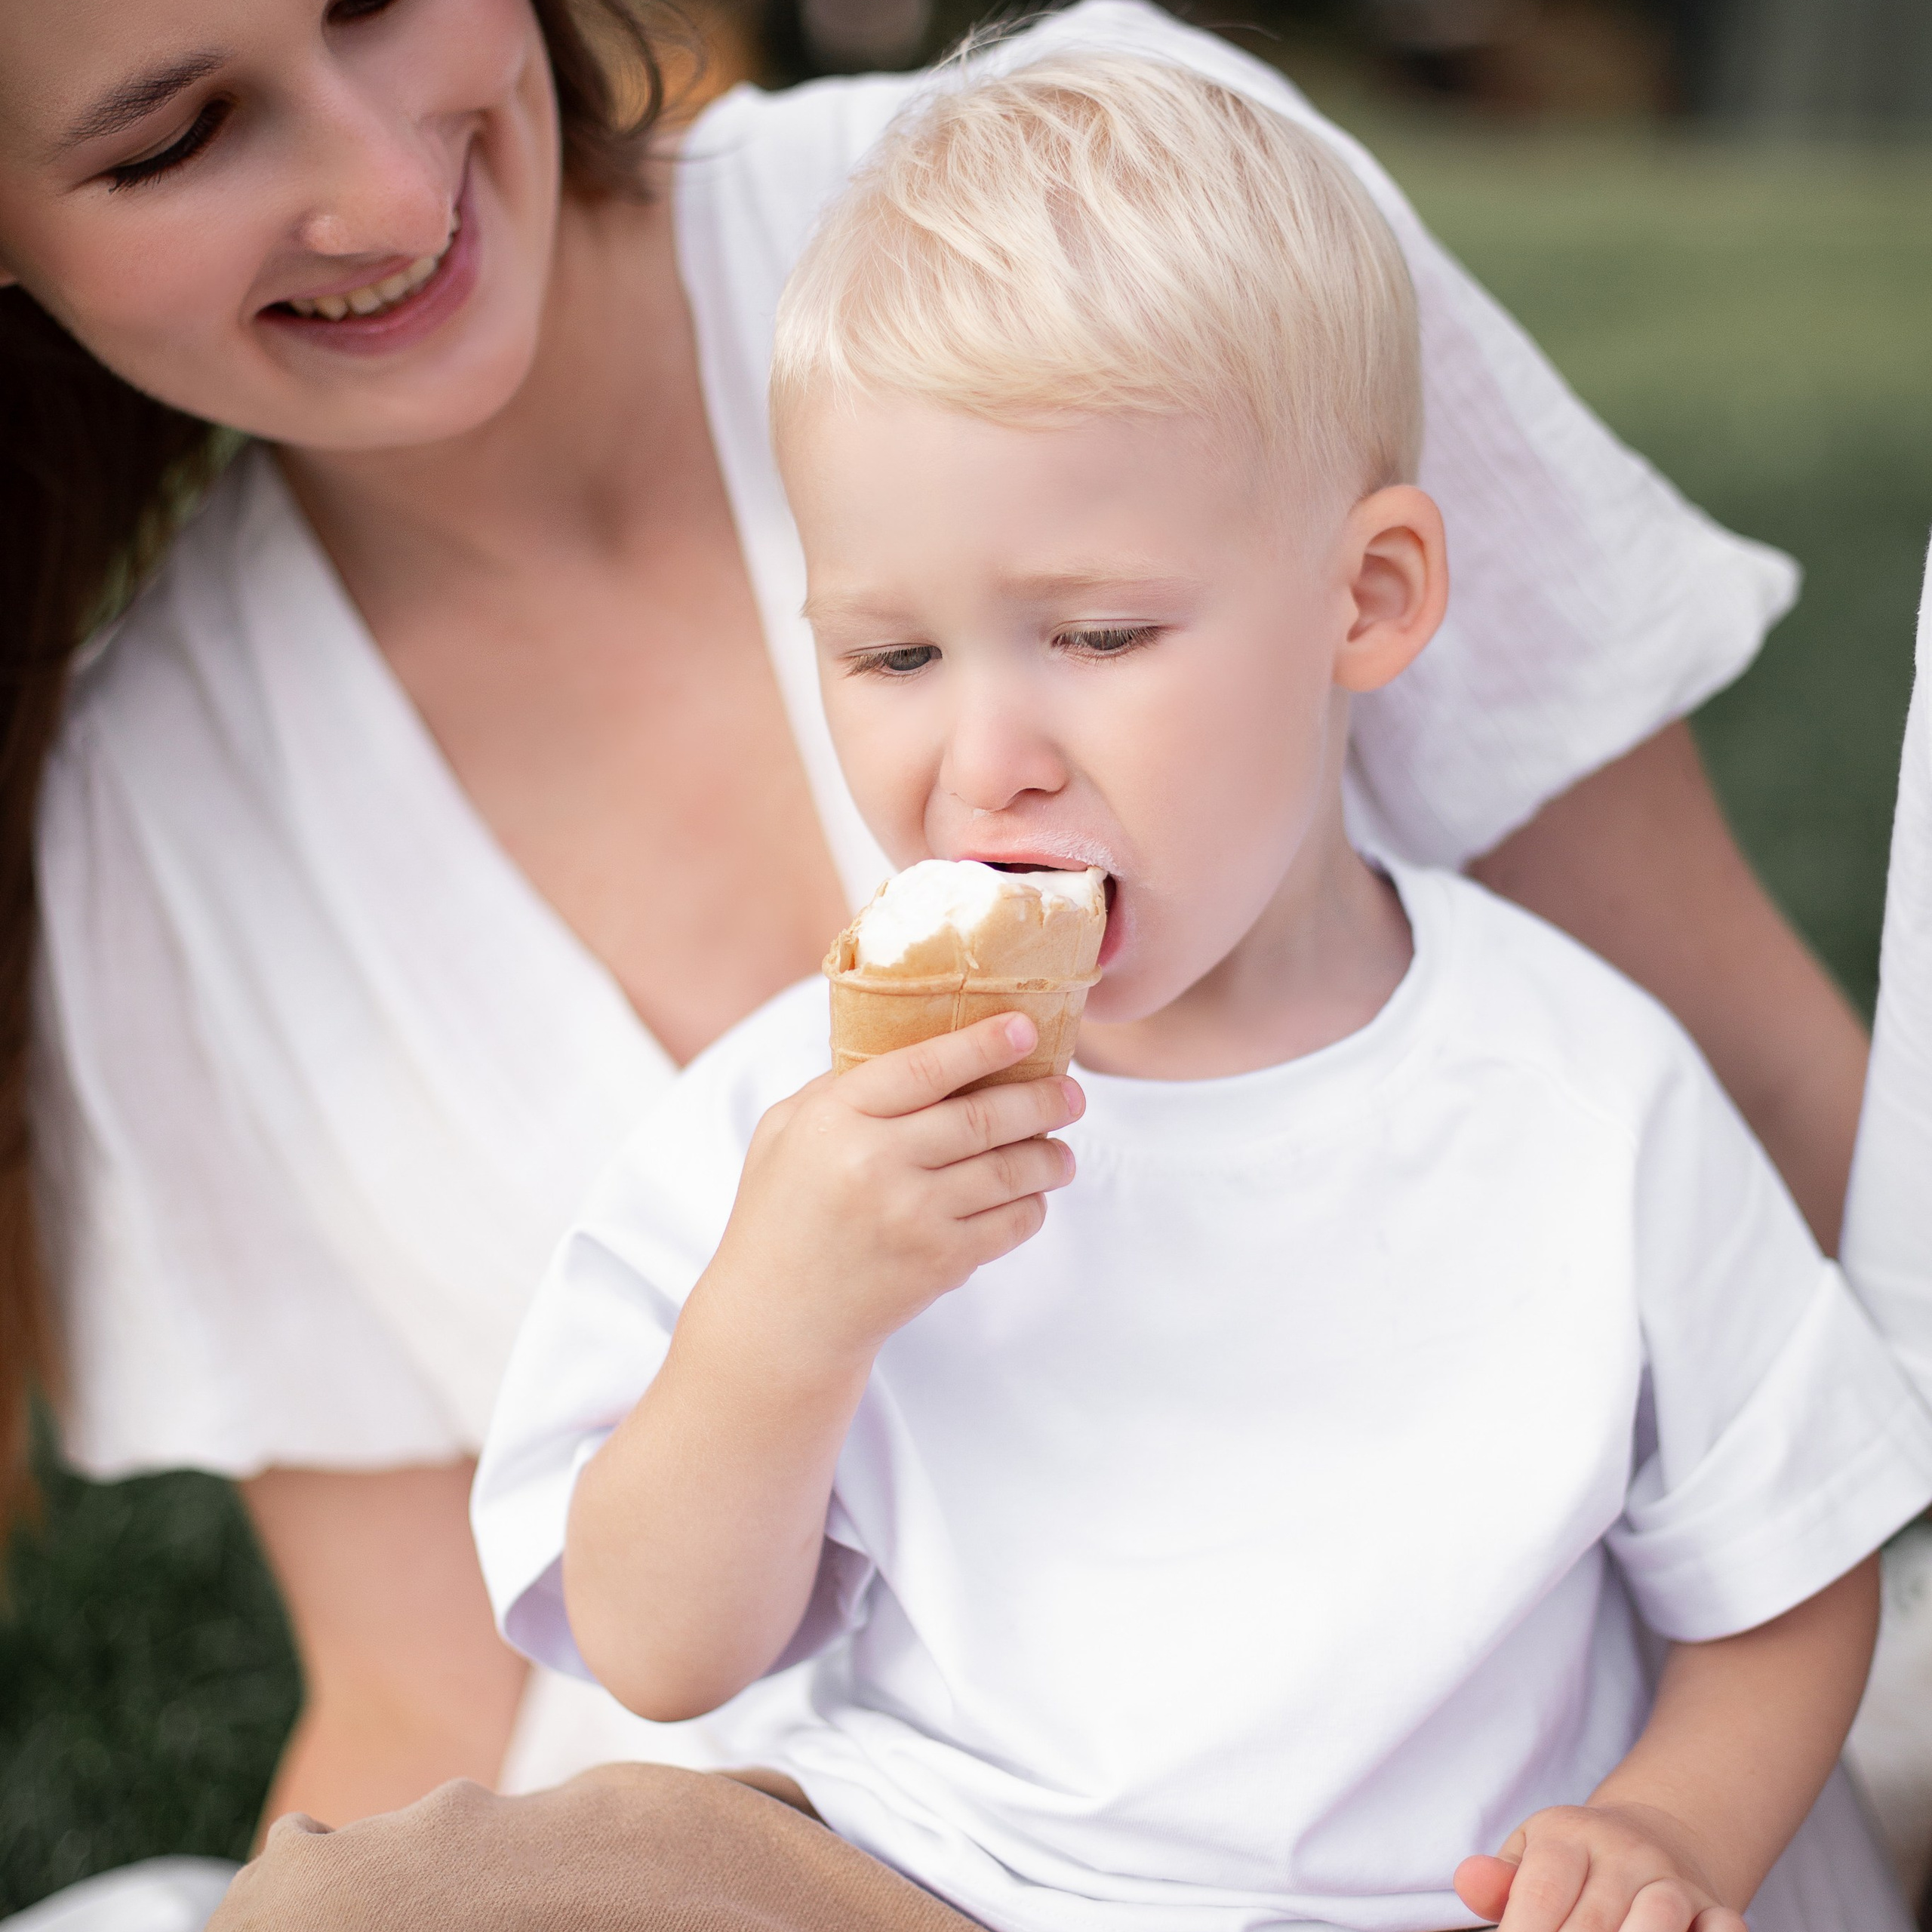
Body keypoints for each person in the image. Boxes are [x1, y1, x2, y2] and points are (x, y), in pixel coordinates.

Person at [0, 0, 1874, 1862]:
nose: (386, 180)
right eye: (173, 137)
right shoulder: (765, 1120)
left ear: (1369, 593)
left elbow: (1787, 1471)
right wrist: (781, 1317)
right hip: (872, 1860)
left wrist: (1673, 1826)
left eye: (380, 1)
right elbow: (490, 1673)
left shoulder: (1145, 229)